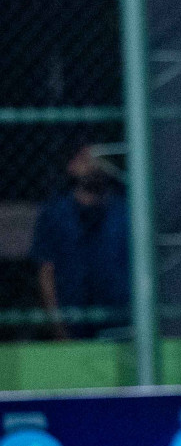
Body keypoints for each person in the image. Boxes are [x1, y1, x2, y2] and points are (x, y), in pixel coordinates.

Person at [30, 145, 130, 339]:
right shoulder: (55, 213)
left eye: (99, 158)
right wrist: (58, 325)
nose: (93, 164)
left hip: (120, 319)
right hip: (74, 318)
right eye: (85, 158)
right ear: (72, 166)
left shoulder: (125, 211)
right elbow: (46, 272)